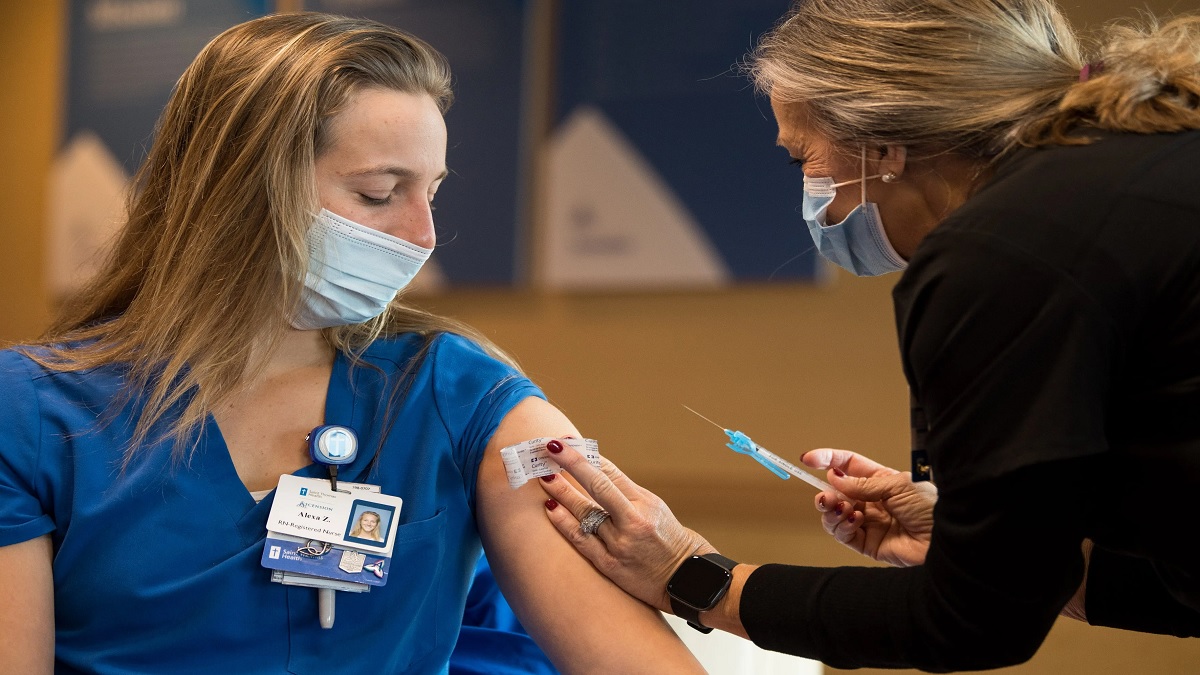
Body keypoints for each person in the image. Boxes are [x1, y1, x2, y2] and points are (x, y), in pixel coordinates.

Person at [0, 12, 705, 674]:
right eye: (379, 192)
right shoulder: (33, 411)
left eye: (432, 191)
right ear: (238, 189)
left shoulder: (460, 396)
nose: (423, 236)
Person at [537, 0, 1200, 670]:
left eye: (802, 157)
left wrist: (692, 575)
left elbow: (973, 623)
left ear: (883, 146)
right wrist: (982, 541)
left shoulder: (1000, 253)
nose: (808, 192)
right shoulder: (1136, 172)